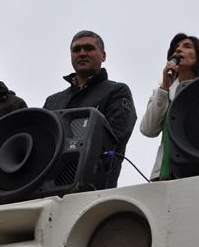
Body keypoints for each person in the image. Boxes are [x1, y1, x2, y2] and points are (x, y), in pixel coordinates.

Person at [43, 30, 136, 188]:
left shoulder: (117, 91)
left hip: (93, 188)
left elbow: (116, 138)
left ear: (103, 55)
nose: (82, 53)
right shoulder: (53, 101)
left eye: (89, 48)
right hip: (48, 188)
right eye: (76, 50)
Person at [140, 33, 199, 181]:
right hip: (166, 174)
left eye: (187, 46)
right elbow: (148, 130)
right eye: (176, 48)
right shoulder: (162, 92)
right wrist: (165, 87)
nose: (178, 50)